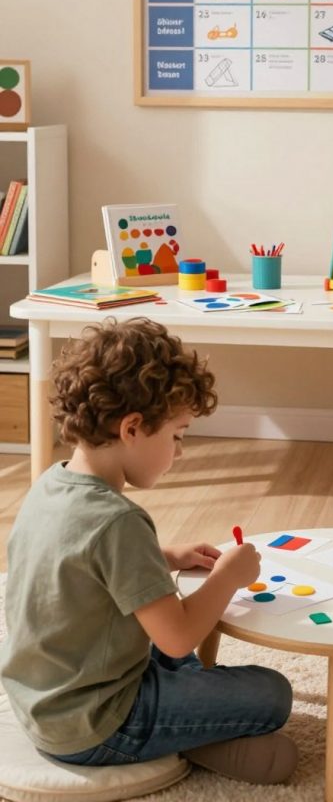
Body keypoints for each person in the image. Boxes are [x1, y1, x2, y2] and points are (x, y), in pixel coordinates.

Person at [0, 317, 297, 784]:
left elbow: (79, 565)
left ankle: (195, 730)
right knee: (273, 692)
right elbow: (176, 638)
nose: (179, 452)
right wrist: (228, 578)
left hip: (42, 700)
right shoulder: (119, 520)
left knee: (170, 656)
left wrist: (164, 557)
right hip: (99, 723)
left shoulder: (50, 484)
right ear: (133, 428)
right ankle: (197, 740)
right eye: (177, 436)